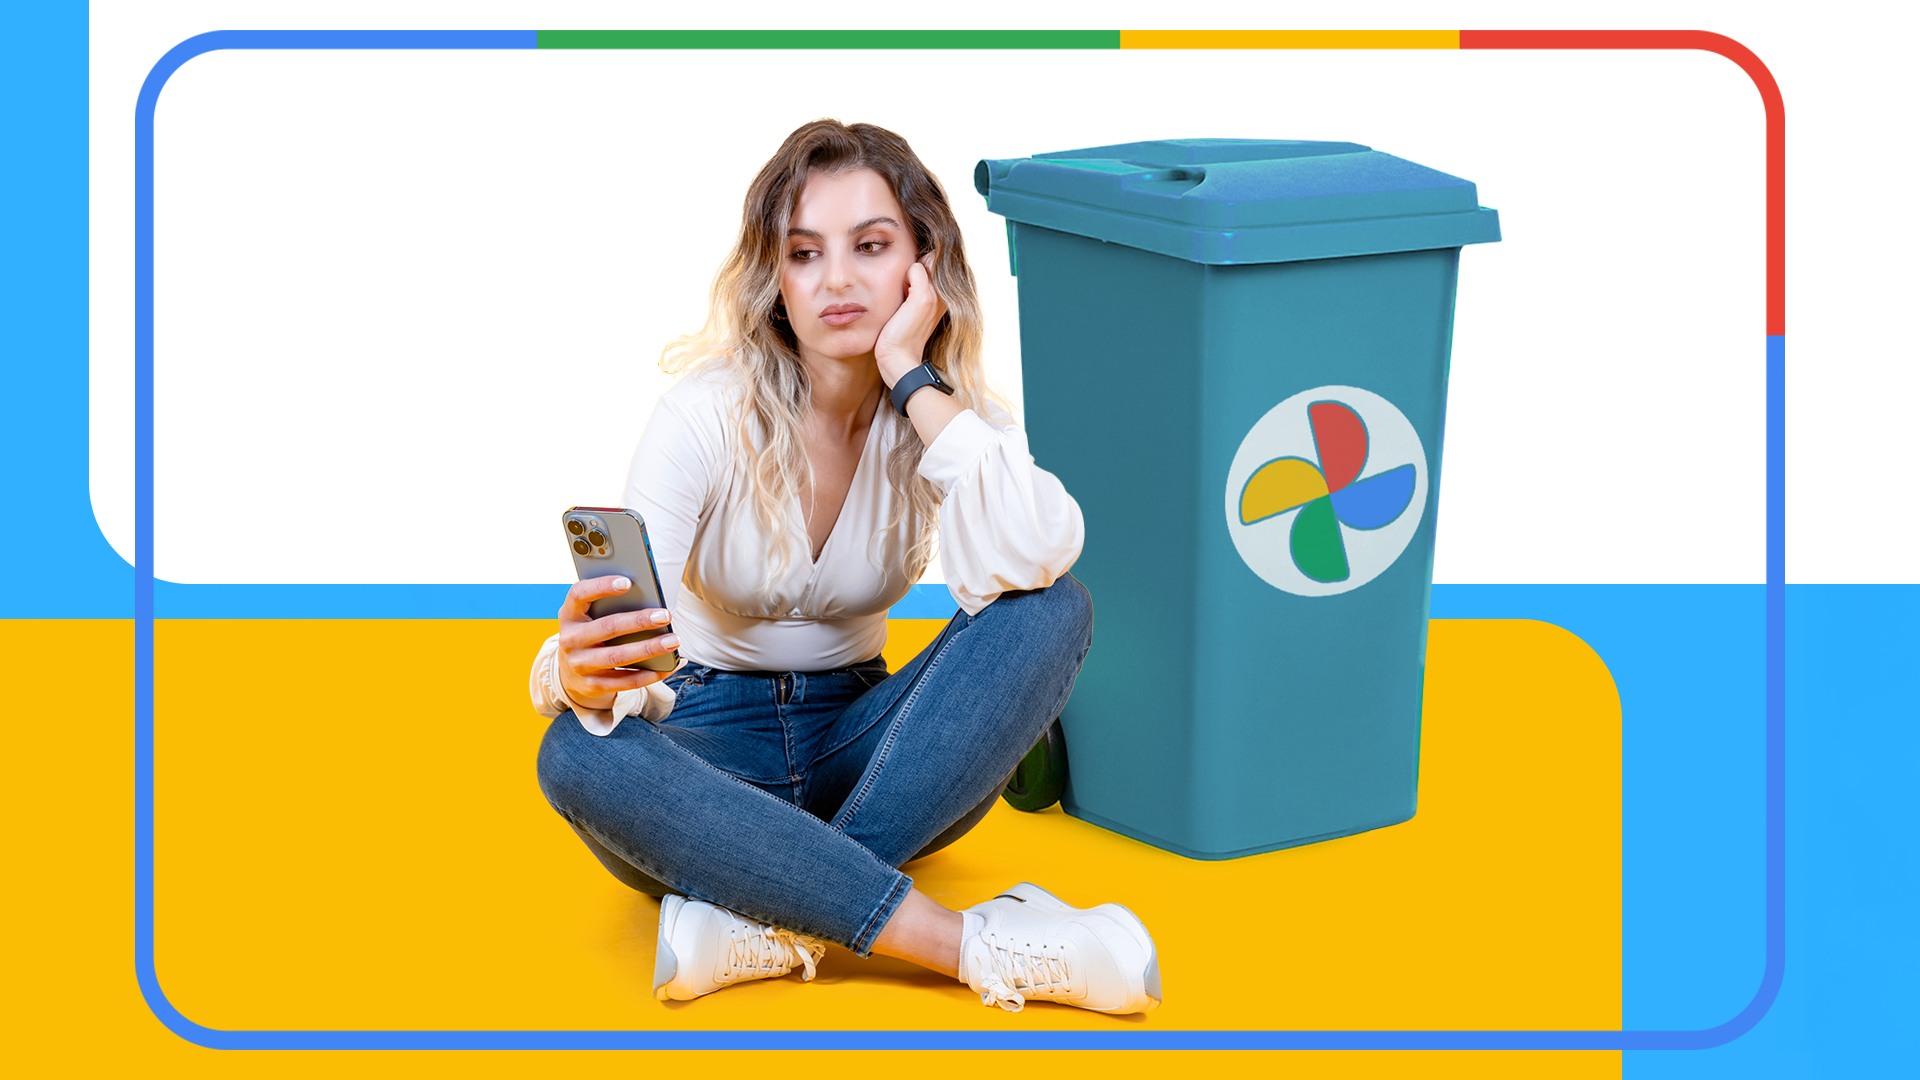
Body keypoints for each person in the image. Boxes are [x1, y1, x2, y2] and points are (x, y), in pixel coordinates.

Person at [529, 120, 1159, 1015]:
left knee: (1054, 609)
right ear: (774, 278)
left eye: (871, 246)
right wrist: (583, 674)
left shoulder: (942, 411)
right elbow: (630, 637)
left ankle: (766, 905)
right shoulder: (702, 416)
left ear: (922, 266)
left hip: (872, 747)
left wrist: (908, 372)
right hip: (708, 747)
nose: (836, 280)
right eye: (804, 252)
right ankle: (968, 944)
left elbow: (1038, 549)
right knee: (572, 753)